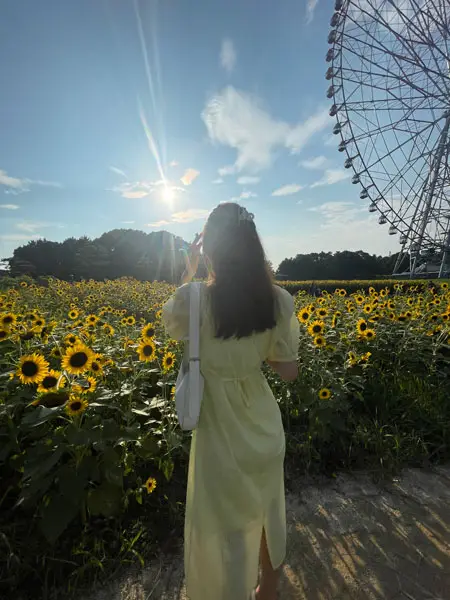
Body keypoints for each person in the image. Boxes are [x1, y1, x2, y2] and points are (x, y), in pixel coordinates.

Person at [162, 202, 299, 600]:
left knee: (223, 524)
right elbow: (289, 371)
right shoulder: (278, 301)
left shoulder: (193, 299)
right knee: (268, 514)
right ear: (254, 247)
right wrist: (255, 356)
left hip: (220, 434)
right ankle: (267, 592)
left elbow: (172, 329)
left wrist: (189, 272)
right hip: (263, 428)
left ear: (208, 249)